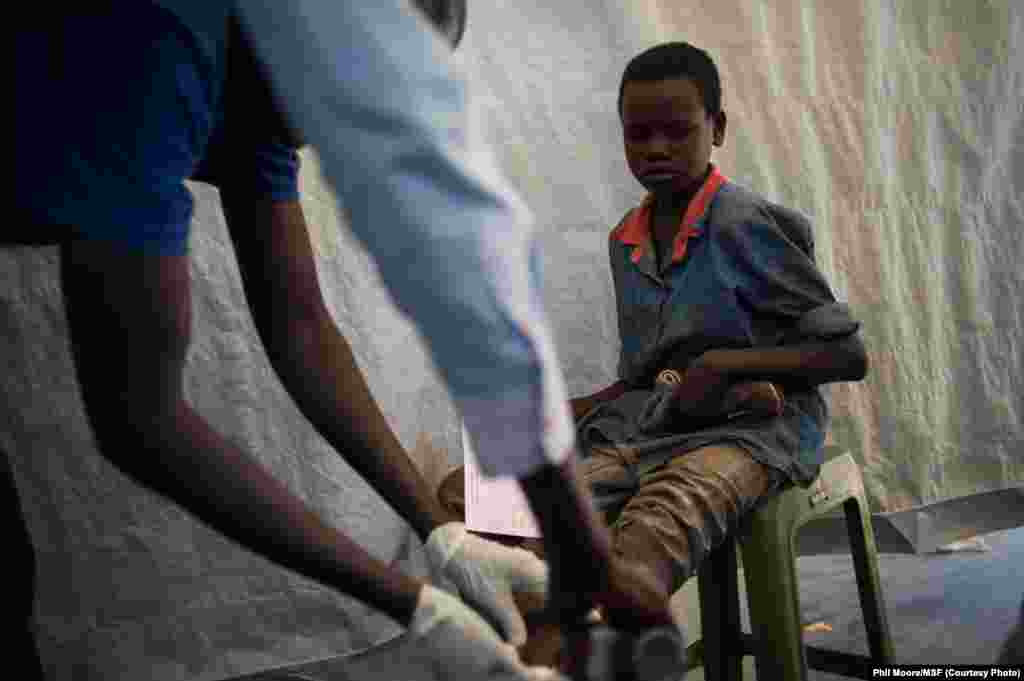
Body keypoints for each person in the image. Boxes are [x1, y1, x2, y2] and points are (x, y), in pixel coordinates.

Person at [12, 1, 671, 678]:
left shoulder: (264, 96)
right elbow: (140, 417)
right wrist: (414, 603)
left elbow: (301, 327)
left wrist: (441, 534)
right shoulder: (157, 33)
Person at [438, 41, 869, 665]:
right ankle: (547, 645)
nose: (657, 149)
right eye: (639, 135)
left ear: (716, 129)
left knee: (651, 530)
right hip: (655, 424)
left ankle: (573, 653)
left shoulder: (745, 223)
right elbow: (645, 375)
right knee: (483, 501)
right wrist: (573, 406)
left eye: (678, 131)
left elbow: (848, 356)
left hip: (752, 433)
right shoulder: (627, 241)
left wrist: (727, 367)